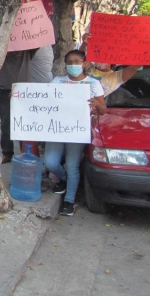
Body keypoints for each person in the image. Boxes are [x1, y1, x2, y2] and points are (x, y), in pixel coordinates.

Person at [45, 50, 106, 217]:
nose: (73, 65)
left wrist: (95, 103)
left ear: (84, 63)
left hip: (78, 132)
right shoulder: (58, 81)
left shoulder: (93, 84)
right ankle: (64, 179)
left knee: (72, 165)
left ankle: (69, 201)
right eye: (70, 62)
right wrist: (20, 96)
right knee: (50, 162)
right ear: (65, 64)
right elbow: (43, 99)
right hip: (57, 129)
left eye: (77, 61)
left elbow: (103, 110)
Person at [0, 49, 37, 164]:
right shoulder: (2, 50)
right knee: (6, 124)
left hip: (23, 91)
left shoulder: (27, 51)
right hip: (5, 90)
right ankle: (7, 153)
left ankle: (25, 152)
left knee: (23, 124)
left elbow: (38, 42)